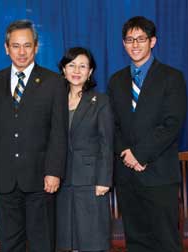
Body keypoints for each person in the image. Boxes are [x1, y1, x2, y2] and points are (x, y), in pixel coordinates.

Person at [0, 20, 67, 252]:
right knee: (10, 244)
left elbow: (59, 132)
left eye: (27, 46)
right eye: (16, 46)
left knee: (43, 243)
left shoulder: (54, 82)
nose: (22, 52)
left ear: (36, 47)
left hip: (41, 179)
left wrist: (54, 171)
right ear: (6, 48)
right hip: (5, 179)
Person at [107, 16, 187, 252]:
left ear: (153, 41)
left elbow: (172, 124)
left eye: (141, 39)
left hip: (159, 175)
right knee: (136, 241)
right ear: (123, 43)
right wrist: (127, 155)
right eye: (130, 39)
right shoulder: (116, 80)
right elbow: (112, 125)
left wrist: (140, 155)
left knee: (166, 242)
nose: (135, 44)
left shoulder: (172, 77)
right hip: (127, 177)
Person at [56, 47, 114, 252]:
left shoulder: (101, 101)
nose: (77, 70)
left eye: (83, 66)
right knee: (66, 239)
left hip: (90, 181)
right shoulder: (55, 100)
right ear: (63, 69)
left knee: (92, 240)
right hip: (60, 180)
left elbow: (107, 142)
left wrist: (104, 179)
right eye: (72, 65)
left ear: (90, 72)